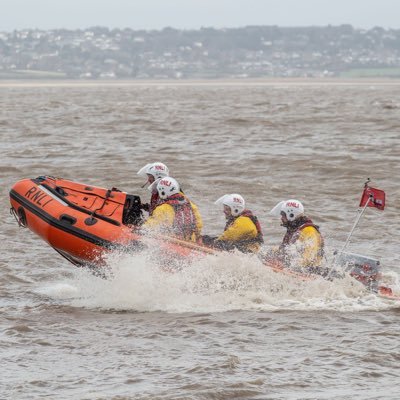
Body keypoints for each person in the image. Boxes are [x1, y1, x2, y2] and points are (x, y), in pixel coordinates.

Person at [269, 199, 324, 272]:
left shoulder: (309, 231)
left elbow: (310, 256)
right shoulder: (295, 229)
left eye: (283, 215)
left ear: (291, 215)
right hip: (299, 268)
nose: (281, 218)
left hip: (310, 271)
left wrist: (292, 267)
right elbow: (286, 250)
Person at [141, 177, 202, 242]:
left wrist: (140, 228)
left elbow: (150, 226)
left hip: (174, 244)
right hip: (191, 241)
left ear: (163, 191)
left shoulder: (163, 208)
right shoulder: (190, 204)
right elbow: (199, 225)